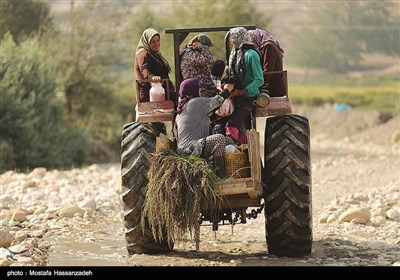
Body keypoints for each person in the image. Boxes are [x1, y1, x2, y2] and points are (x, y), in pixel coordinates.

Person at [175, 78, 234, 178]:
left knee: (227, 141)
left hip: (197, 146)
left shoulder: (186, 106)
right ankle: (220, 175)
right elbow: (216, 101)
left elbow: (213, 108)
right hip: (189, 149)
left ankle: (231, 170)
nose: (200, 91)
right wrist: (227, 90)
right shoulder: (194, 103)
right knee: (219, 139)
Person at [222, 27, 264, 144]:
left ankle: (243, 148)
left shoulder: (252, 55)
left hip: (249, 96)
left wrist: (242, 92)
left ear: (241, 38)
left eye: (233, 38)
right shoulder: (235, 53)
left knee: (233, 124)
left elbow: (259, 80)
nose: (231, 41)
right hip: (236, 95)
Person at [134, 28, 176, 104]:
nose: (156, 43)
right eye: (153, 42)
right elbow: (144, 69)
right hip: (152, 97)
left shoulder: (155, 54)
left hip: (163, 92)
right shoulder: (143, 54)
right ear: (147, 42)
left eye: (158, 40)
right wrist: (152, 77)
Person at [248, 28, 285, 97]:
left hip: (272, 87)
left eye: (252, 41)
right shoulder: (263, 46)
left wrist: (255, 86)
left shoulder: (268, 46)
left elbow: (267, 71)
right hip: (269, 85)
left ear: (255, 38)